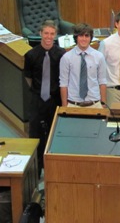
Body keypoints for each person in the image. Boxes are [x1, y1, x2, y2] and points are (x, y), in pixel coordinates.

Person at [24, 20, 66, 176]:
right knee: (35, 132)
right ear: (40, 34)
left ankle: (53, 167)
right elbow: (28, 78)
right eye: (46, 33)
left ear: (55, 36)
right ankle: (37, 168)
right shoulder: (31, 55)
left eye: (52, 34)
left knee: (55, 132)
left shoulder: (62, 55)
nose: (49, 37)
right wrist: (39, 90)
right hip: (37, 98)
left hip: (55, 99)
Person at [59, 23, 107, 108]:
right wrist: (64, 105)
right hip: (73, 104)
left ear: (90, 38)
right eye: (81, 36)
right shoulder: (66, 57)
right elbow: (63, 83)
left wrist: (103, 103)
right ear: (76, 37)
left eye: (87, 36)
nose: (84, 39)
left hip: (94, 104)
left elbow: (102, 81)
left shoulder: (99, 56)